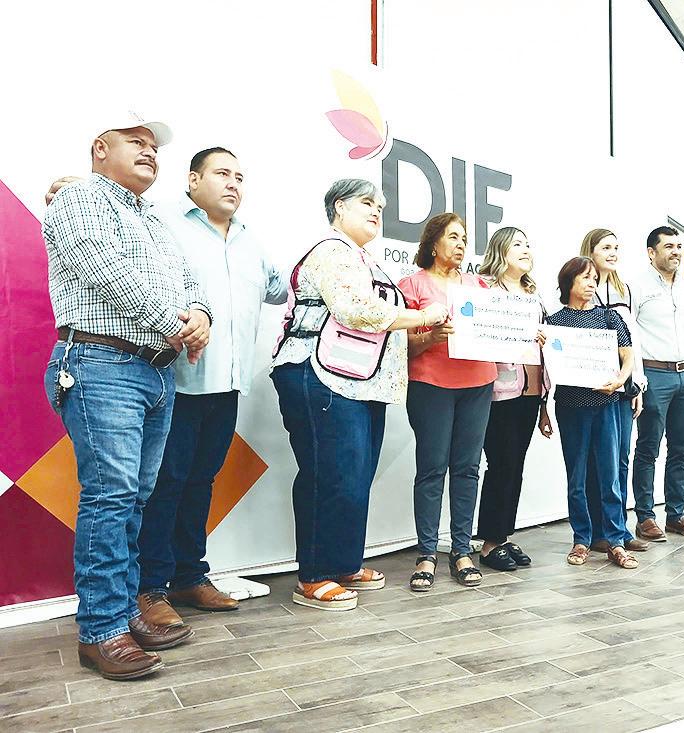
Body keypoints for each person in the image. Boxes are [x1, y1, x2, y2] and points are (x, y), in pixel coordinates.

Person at [42, 113, 211, 680]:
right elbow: (103, 270)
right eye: (135, 142)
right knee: (111, 498)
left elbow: (189, 281)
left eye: (153, 146)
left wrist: (200, 316)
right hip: (100, 362)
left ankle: (125, 610)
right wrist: (175, 324)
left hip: (155, 371)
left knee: (135, 499)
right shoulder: (81, 198)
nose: (149, 152)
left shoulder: (153, 218)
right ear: (100, 148)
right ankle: (101, 630)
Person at [271, 179, 448, 610]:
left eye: (380, 207)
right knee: (328, 475)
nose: (376, 212)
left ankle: (344, 563)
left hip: (360, 382)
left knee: (354, 477)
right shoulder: (331, 251)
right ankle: (314, 576)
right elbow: (356, 310)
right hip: (321, 376)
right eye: (367, 203)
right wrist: (423, 316)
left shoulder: (363, 259)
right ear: (338, 207)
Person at [133, 148, 288, 622]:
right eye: (222, 173)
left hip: (228, 384)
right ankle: (149, 587)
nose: (233, 183)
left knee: (200, 483)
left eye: (240, 176)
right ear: (193, 180)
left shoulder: (249, 241)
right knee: (165, 484)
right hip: (174, 380)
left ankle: (189, 576)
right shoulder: (162, 222)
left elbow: (280, 289)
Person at [399, 213, 497, 590]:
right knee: (431, 469)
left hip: (478, 383)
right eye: (453, 236)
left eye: (464, 239)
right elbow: (399, 346)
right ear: (433, 241)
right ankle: (426, 553)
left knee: (468, 468)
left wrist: (524, 338)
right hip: (431, 385)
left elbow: (498, 332)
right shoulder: (412, 284)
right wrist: (430, 337)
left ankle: (461, 550)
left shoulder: (479, 285)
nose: (461, 244)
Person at [545, 257, 638, 570]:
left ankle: (616, 540)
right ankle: (582, 538)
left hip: (606, 404)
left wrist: (620, 380)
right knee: (577, 476)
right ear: (568, 281)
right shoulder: (554, 321)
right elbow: (546, 368)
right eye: (585, 277)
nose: (591, 283)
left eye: (594, 279)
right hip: (570, 406)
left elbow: (627, 356)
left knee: (610, 476)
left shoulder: (609, 317)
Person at [475, 227, 553, 571]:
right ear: (500, 250)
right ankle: (489, 543)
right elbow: (482, 338)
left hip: (532, 392)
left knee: (515, 467)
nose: (526, 249)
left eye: (528, 244)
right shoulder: (486, 291)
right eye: (518, 244)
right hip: (499, 393)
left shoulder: (534, 295)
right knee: (501, 465)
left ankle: (503, 536)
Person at [632, 226, 684, 541]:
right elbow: (629, 333)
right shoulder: (636, 286)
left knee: (681, 449)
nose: (676, 252)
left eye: (678, 246)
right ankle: (645, 517)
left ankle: (677, 514)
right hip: (654, 375)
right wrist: (637, 377)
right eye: (668, 246)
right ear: (652, 252)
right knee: (648, 448)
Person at [579, 229, 649, 554]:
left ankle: (619, 529)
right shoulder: (580, 288)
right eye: (606, 247)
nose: (613, 252)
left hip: (623, 387)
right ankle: (598, 532)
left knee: (620, 459)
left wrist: (637, 383)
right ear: (590, 251)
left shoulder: (624, 289)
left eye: (616, 247)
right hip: (593, 388)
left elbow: (632, 341)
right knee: (596, 461)